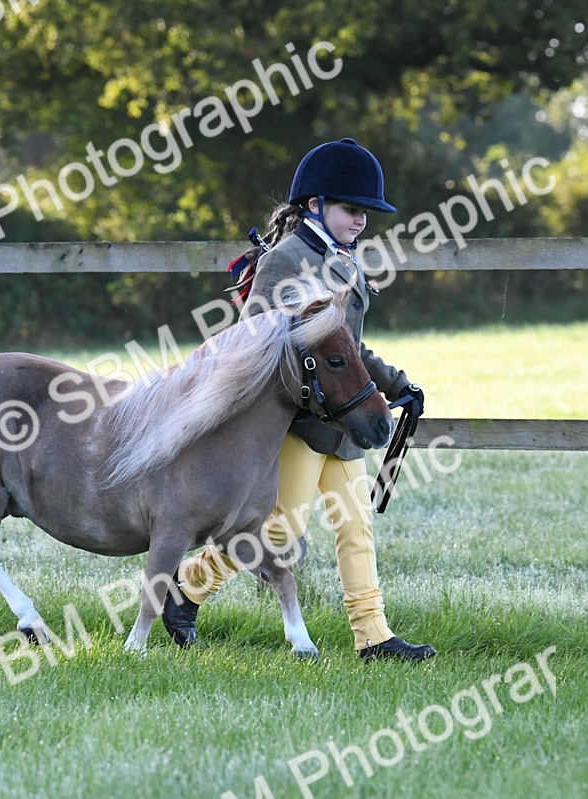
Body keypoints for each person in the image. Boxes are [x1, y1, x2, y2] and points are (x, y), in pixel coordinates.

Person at [162, 138, 436, 661]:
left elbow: (349, 349)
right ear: (315, 206)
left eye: (364, 214)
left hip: (344, 421)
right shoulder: (286, 261)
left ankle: (372, 636)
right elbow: (255, 341)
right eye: (352, 210)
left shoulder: (347, 261)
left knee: (357, 526)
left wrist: (396, 384)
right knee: (282, 526)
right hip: (301, 422)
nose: (360, 222)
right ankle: (188, 587)